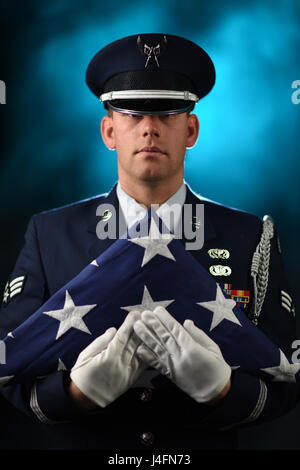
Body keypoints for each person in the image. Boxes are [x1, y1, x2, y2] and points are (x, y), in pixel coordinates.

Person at [0, 33, 298, 452]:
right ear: (109, 131)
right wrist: (76, 393)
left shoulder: (249, 238)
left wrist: (223, 389)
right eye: (132, 113)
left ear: (190, 129)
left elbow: (288, 376)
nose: (150, 128)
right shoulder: (50, 234)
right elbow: (9, 365)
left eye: (167, 112)